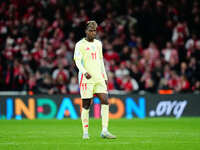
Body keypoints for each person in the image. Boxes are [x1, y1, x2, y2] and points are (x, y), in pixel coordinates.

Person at [74, 21, 116, 139]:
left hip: (99, 78)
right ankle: (85, 132)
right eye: (91, 31)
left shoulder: (98, 44)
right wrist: (84, 72)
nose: (93, 33)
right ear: (86, 31)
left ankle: (104, 130)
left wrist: (105, 76)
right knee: (86, 105)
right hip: (86, 78)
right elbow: (77, 61)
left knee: (105, 101)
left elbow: (101, 60)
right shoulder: (80, 44)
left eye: (94, 31)